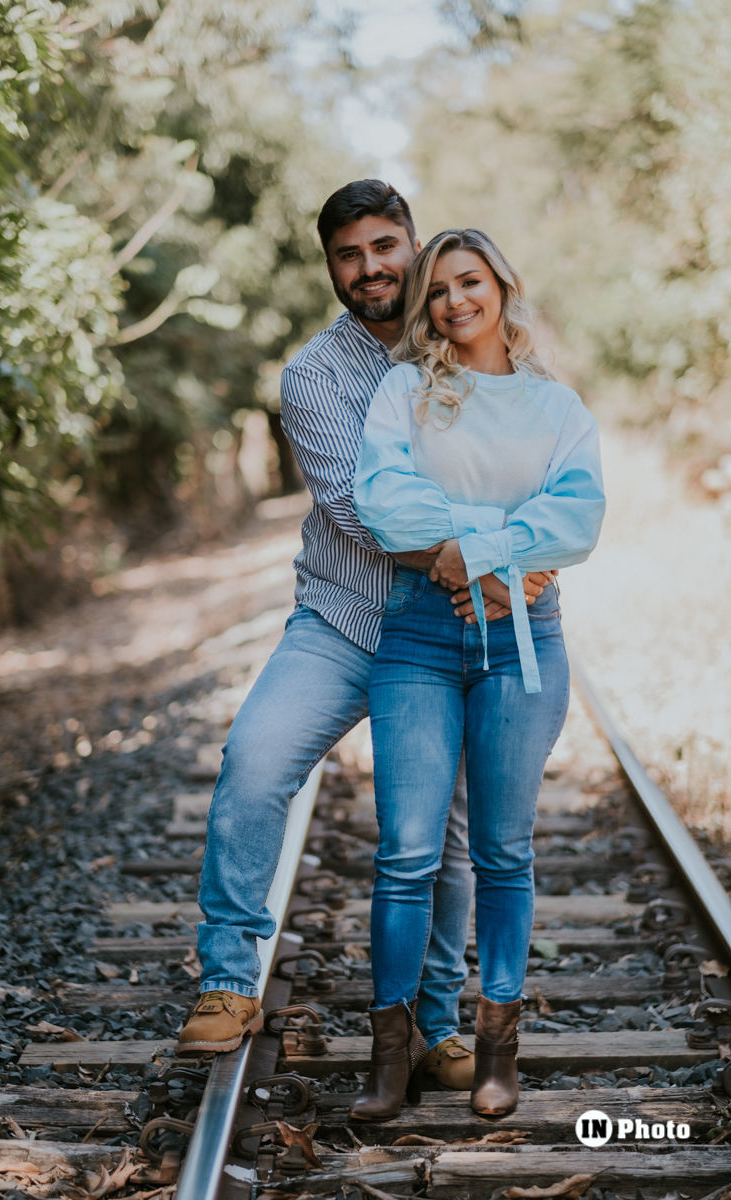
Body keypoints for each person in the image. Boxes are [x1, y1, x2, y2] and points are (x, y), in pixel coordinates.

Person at [177, 182, 550, 1084]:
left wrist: (518, 553)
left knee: (448, 838)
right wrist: (475, 558)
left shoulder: (468, 350)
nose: (373, 267)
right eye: (351, 254)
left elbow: (529, 472)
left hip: (455, 629)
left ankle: (432, 1026)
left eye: (387, 245)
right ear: (332, 268)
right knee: (255, 762)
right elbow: (351, 508)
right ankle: (229, 979)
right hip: (345, 618)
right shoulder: (314, 376)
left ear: (415, 246)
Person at [350, 228, 605, 1120]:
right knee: (408, 852)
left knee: (502, 852)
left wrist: (482, 554)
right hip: (418, 636)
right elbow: (385, 501)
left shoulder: (557, 408)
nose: (456, 301)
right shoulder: (403, 391)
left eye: (470, 282)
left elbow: (577, 519)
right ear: (425, 308)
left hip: (525, 636)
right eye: (439, 290)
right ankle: (393, 1055)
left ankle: (498, 1048)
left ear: (500, 285)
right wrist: (493, 546)